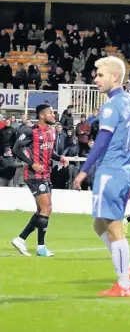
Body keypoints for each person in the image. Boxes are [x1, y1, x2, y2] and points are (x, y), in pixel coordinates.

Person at [73, 56, 130, 297]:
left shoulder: (111, 106)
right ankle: (127, 268)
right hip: (123, 172)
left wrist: (83, 171)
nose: (96, 78)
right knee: (99, 223)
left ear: (115, 77)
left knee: (113, 226)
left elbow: (101, 142)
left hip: (110, 171)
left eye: (100, 75)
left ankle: (123, 284)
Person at [11, 104, 69, 257]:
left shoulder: (51, 131)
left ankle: (20, 239)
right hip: (33, 175)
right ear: (42, 115)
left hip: (45, 174)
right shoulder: (31, 131)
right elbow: (16, 148)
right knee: (47, 208)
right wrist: (32, 164)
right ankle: (41, 247)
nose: (53, 115)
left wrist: (59, 158)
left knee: (41, 210)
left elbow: (50, 152)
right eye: (50, 113)